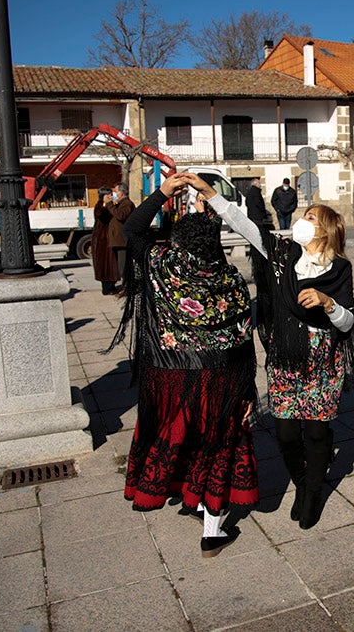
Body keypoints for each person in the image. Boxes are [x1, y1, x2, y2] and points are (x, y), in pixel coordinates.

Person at [189, 176, 354, 531]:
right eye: (304, 214)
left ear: (327, 230)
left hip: (322, 358)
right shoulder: (284, 255)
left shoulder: (340, 269)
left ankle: (312, 492)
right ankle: (302, 481)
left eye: (311, 217)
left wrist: (329, 304)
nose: (303, 220)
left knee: (316, 434)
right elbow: (247, 227)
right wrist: (212, 196)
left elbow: (347, 324)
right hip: (285, 355)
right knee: (285, 433)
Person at [107, 172, 258, 558]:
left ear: (176, 243)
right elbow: (244, 342)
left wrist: (162, 192)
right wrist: (247, 392)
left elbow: (133, 230)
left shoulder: (162, 265)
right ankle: (212, 530)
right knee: (217, 447)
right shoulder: (232, 281)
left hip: (172, 376)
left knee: (181, 439)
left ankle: (186, 498)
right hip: (222, 381)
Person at [105, 182, 135, 295]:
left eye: (116, 191)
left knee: (124, 267)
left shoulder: (127, 204)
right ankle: (126, 286)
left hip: (123, 241)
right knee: (120, 266)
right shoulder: (120, 203)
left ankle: (127, 288)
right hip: (119, 241)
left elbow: (121, 215)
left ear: (122, 193)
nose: (114, 194)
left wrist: (110, 205)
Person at [91, 187, 119, 295]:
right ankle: (107, 287)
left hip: (108, 238)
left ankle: (111, 285)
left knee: (111, 263)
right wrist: (108, 205)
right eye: (109, 195)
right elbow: (101, 215)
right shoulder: (100, 206)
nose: (111, 197)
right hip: (102, 239)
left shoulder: (109, 205)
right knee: (105, 264)